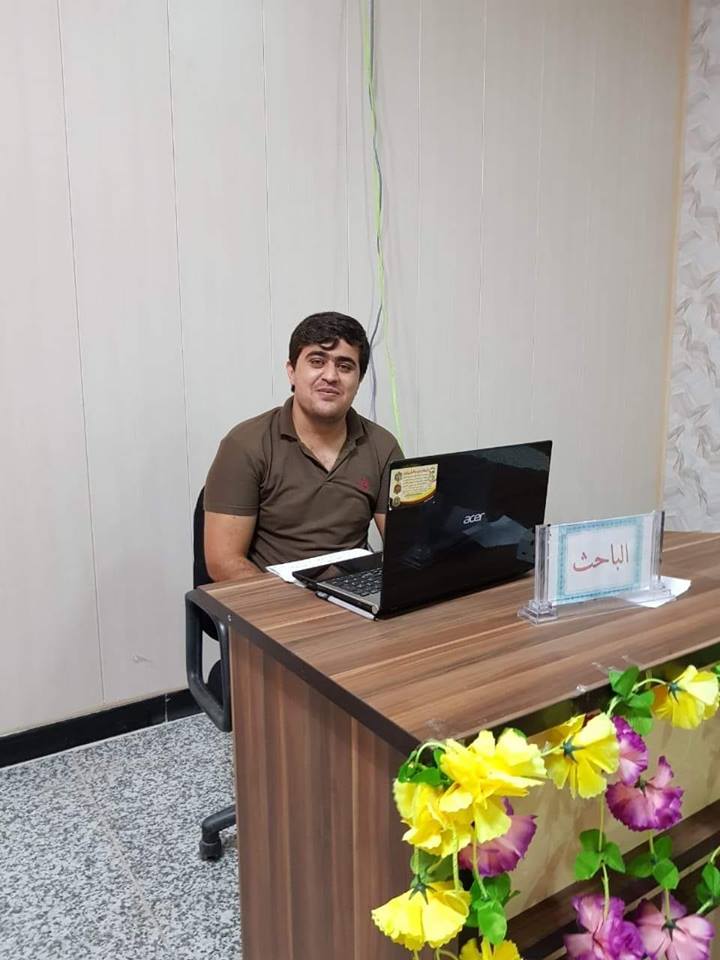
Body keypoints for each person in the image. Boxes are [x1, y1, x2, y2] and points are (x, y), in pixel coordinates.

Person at [203, 312, 403, 581]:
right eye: (317, 361)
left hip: (352, 593)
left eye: (345, 366)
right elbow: (223, 562)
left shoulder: (382, 446)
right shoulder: (245, 445)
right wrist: (291, 603)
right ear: (292, 371)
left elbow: (406, 547)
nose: (330, 376)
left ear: (359, 379)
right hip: (273, 596)